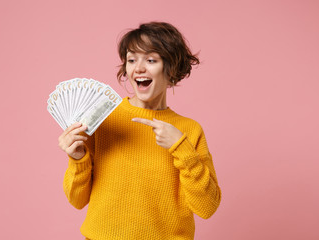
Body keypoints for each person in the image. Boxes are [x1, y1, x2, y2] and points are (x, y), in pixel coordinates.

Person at [58, 22, 221, 240]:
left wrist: (181, 149)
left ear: (171, 67)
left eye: (151, 60)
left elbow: (207, 207)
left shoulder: (189, 130)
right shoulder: (103, 119)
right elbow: (77, 200)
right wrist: (78, 158)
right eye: (132, 60)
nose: (139, 68)